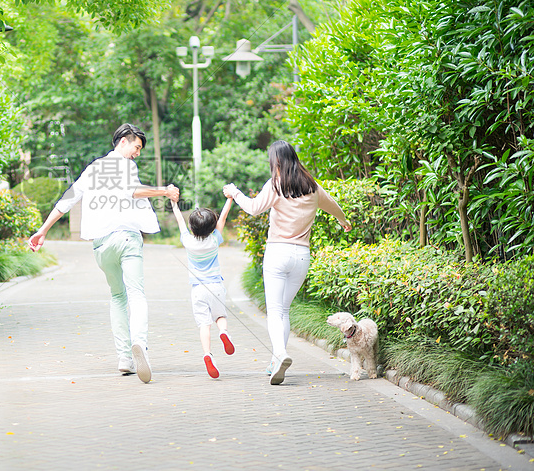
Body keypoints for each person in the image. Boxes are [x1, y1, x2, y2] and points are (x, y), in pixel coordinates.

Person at [28, 123, 179, 383]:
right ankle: (139, 344)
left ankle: (124, 358)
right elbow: (132, 192)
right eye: (137, 147)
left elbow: (67, 200)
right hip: (127, 238)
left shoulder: (93, 169)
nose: (137, 153)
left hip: (101, 246)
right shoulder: (125, 165)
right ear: (123, 141)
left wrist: (42, 231)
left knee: (117, 296)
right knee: (136, 293)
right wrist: (164, 191)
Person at [223, 140, 351, 385]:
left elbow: (253, 208)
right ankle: (275, 361)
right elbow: (333, 205)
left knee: (275, 310)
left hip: (277, 253)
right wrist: (343, 221)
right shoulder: (312, 186)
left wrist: (234, 192)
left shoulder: (275, 185)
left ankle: (280, 354)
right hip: (301, 257)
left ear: (277, 162)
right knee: (283, 310)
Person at [171, 196, 236, 379]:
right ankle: (223, 332)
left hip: (198, 290)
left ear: (193, 228)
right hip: (216, 286)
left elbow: (179, 220)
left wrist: (174, 203)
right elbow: (222, 218)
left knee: (203, 324)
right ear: (212, 227)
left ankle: (208, 354)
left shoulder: (187, 241)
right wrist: (229, 199)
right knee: (220, 316)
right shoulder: (215, 239)